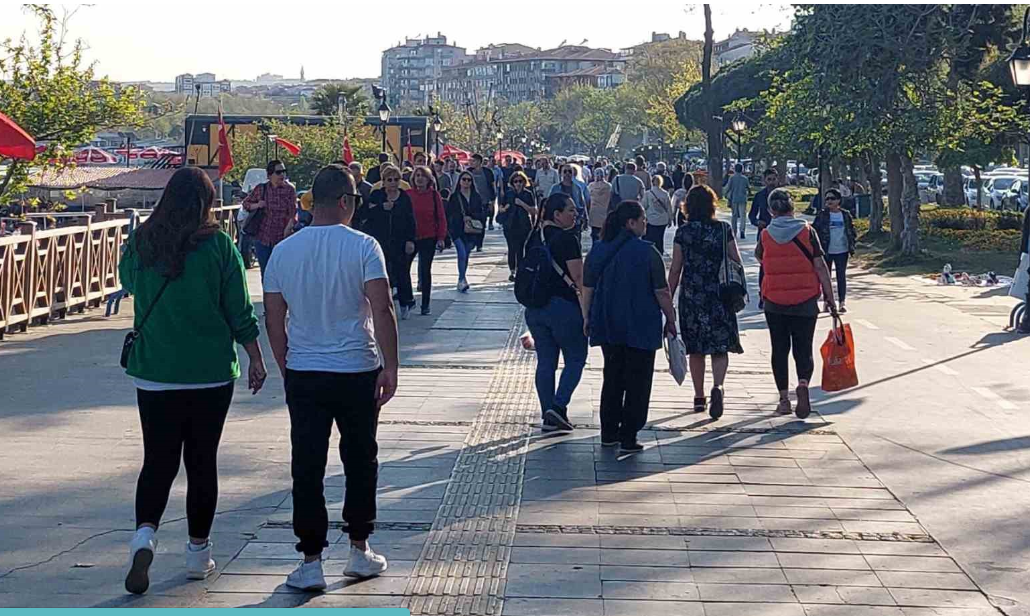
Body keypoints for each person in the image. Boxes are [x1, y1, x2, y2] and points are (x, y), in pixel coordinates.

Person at [119, 167, 266, 595]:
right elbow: (238, 307)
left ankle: (144, 537)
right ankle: (198, 555)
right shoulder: (219, 245)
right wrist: (255, 356)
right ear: (206, 203)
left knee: (158, 460)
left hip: (155, 372)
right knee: (202, 462)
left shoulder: (142, 241)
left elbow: (128, 283)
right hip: (209, 374)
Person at [263, 164, 399, 591]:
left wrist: (285, 363)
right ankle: (359, 548)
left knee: (307, 464)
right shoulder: (364, 246)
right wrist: (391, 365)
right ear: (344, 201)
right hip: (357, 367)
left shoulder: (284, 250)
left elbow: (273, 316)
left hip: (305, 370)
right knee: (360, 458)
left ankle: (310, 560)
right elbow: (382, 308)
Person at [582, 200, 677, 453]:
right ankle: (629, 435)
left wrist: (586, 317)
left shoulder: (598, 249)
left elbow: (587, 287)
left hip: (608, 322)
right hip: (640, 324)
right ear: (630, 223)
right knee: (638, 380)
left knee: (612, 376)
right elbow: (662, 291)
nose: (646, 223)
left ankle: (608, 432)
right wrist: (671, 318)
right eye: (643, 219)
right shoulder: (648, 252)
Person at [755, 188, 838, 419]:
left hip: (774, 301)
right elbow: (820, 265)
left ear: (771, 210)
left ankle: (783, 400)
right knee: (803, 348)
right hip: (806, 301)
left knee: (779, 349)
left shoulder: (765, 235)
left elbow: (760, 258)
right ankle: (802, 384)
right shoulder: (807, 231)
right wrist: (830, 298)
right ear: (792, 208)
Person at [668, 185, 744, 420]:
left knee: (696, 349)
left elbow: (676, 268)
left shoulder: (684, 232)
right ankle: (718, 386)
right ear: (712, 205)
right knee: (719, 347)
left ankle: (699, 396)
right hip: (720, 294)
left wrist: (668, 297)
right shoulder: (723, 229)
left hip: (693, 295)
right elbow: (736, 260)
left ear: (688, 206)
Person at [524, 194, 587, 433]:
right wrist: (587, 312)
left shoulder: (533, 237)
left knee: (546, 362)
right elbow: (578, 278)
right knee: (576, 358)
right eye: (570, 210)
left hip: (535, 308)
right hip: (564, 308)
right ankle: (558, 407)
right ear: (557, 215)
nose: (575, 213)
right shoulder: (567, 239)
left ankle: (548, 414)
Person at [364, 165, 417, 320]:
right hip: (380, 240)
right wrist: (381, 207)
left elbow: (410, 219)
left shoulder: (404, 197)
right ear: (384, 181)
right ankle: (382, 303)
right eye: (389, 180)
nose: (393, 183)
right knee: (383, 272)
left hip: (399, 240)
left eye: (396, 180)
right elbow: (366, 213)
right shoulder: (377, 195)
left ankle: (406, 302)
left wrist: (410, 240)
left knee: (402, 272)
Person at [241, 159, 297, 278]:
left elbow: (293, 213)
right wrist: (257, 205)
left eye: (284, 171)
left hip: (282, 239)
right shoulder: (261, 189)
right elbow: (245, 204)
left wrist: (288, 228)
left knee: (281, 274)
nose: (282, 175)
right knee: (266, 274)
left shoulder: (290, 190)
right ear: (270, 175)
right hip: (263, 237)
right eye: (278, 172)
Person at [407, 166, 448, 316]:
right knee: (404, 269)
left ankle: (425, 304)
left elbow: (441, 217)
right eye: (417, 175)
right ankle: (408, 299)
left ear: (429, 179)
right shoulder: (408, 194)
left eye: (423, 176)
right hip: (410, 238)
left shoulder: (434, 195)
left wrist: (441, 238)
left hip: (429, 237)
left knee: (425, 271)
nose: (419, 178)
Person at [813, 188, 856, 314]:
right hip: (826, 251)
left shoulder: (845, 214)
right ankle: (827, 302)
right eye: (827, 199)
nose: (829, 201)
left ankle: (842, 302)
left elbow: (851, 230)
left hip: (842, 250)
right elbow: (814, 231)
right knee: (826, 277)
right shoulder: (822, 215)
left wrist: (852, 244)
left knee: (841, 276)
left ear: (838, 200)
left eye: (832, 198)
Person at [447, 170, 486, 293]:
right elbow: (450, 214)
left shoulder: (476, 197)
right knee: (462, 253)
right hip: (457, 230)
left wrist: (471, 216)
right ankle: (461, 279)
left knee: (466, 254)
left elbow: (481, 213)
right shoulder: (455, 197)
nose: (466, 182)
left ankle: (463, 277)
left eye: (469, 180)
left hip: (472, 231)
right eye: (464, 179)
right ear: (459, 181)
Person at [749, 168, 780, 308]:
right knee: (764, 265)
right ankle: (763, 295)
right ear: (764, 181)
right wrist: (757, 222)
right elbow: (752, 215)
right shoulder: (759, 196)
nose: (771, 182)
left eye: (774, 179)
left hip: (780, 234)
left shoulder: (783, 196)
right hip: (764, 234)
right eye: (769, 179)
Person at [499, 171, 537, 281]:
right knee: (512, 248)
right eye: (515, 181)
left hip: (523, 224)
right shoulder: (508, 194)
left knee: (520, 248)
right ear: (512, 183)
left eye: (520, 181)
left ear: (524, 182)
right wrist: (504, 208)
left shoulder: (528, 194)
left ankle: (520, 270)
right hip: (509, 224)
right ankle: (512, 271)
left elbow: (533, 211)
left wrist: (522, 204)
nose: (518, 184)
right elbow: (501, 208)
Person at [469, 154, 496, 248]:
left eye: (474, 161)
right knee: (472, 222)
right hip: (471, 202)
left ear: (479, 162)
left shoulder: (488, 172)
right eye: (471, 161)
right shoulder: (468, 171)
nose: (471, 163)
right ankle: (472, 241)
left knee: (482, 223)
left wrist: (492, 201)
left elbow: (492, 187)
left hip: (484, 202)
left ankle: (479, 244)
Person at [641, 174, 673, 254]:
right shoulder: (665, 193)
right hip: (663, 220)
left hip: (651, 219)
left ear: (652, 182)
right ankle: (660, 253)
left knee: (650, 238)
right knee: (660, 238)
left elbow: (643, 206)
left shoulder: (648, 193)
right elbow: (669, 207)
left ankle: (650, 253)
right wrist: (670, 219)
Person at [587, 168, 613, 241]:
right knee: (604, 235)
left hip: (593, 213)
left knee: (594, 234)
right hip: (604, 213)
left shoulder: (591, 186)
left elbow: (587, 200)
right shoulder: (609, 186)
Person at [726, 163, 751, 240]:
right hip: (743, 198)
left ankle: (734, 231)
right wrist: (749, 193)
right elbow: (748, 188)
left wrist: (726, 194)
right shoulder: (745, 178)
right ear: (742, 169)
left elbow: (728, 187)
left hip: (734, 198)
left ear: (735, 169)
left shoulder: (732, 178)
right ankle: (742, 230)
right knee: (743, 215)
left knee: (734, 215)